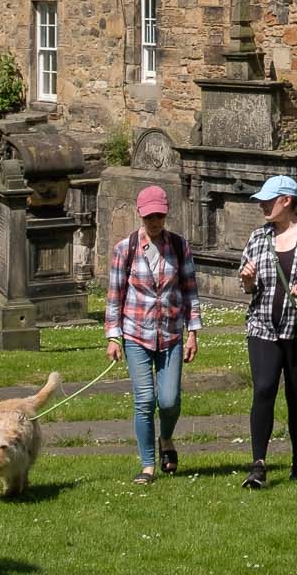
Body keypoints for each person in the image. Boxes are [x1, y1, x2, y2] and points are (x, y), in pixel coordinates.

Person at [238, 173, 297, 488]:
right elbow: (247, 286)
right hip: (263, 326)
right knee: (263, 390)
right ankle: (258, 466)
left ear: (286, 201)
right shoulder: (258, 237)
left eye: (268, 200)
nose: (262, 205)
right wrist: (248, 280)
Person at [104, 184, 198, 486]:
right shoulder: (125, 248)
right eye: (149, 217)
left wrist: (193, 332)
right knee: (145, 400)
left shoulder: (180, 247)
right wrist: (112, 336)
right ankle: (147, 465)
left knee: (169, 401)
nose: (154, 222)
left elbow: (189, 292)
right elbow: (115, 295)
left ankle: (166, 439)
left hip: (170, 334)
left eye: (159, 216)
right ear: (140, 215)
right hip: (136, 334)